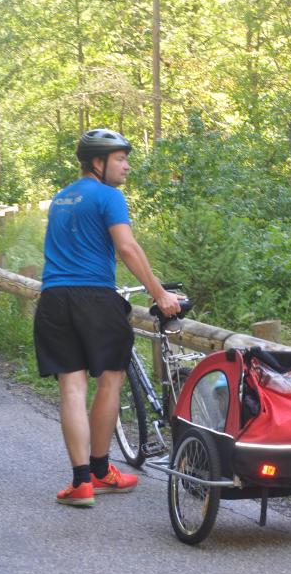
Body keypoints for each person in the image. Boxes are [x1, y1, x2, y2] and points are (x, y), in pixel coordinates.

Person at [34, 128, 181, 507]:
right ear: (97, 163)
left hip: (53, 298)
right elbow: (127, 247)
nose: (127, 166)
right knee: (111, 381)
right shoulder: (109, 197)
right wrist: (160, 293)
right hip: (95, 298)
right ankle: (102, 471)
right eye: (120, 159)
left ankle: (81, 483)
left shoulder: (61, 198)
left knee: (72, 387)